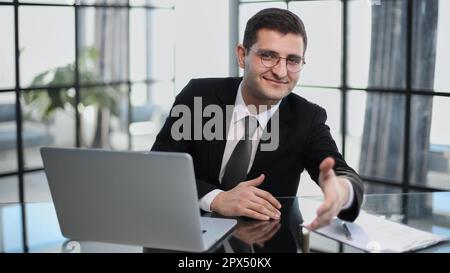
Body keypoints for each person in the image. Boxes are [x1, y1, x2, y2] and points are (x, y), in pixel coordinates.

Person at [151, 8, 363, 230]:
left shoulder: (307, 118)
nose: (281, 72)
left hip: (264, 245)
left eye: (293, 60)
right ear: (243, 56)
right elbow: (158, 169)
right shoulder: (198, 96)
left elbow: (342, 173)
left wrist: (341, 191)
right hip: (187, 236)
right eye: (268, 56)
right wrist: (216, 199)